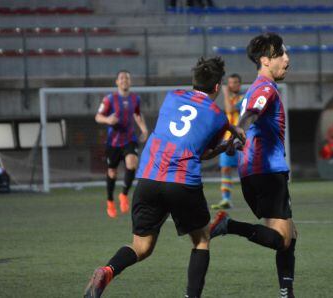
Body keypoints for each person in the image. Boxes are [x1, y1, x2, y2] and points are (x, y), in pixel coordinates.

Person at [84, 57, 245, 298]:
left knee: (142, 247)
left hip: (148, 178)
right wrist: (227, 143)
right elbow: (201, 153)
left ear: (194, 82)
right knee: (201, 240)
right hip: (181, 182)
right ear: (217, 87)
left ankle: (108, 270)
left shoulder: (172, 96)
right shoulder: (218, 116)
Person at [209, 33, 297, 298]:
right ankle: (228, 225)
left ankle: (287, 292)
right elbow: (250, 116)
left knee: (290, 235)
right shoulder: (265, 89)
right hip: (267, 172)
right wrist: (239, 131)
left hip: (253, 171)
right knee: (282, 239)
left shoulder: (253, 89)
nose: (287, 60)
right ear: (265, 61)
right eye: (281, 54)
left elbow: (251, 121)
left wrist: (231, 143)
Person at [95, 70, 148, 218]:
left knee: (132, 162)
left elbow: (137, 114)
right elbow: (98, 116)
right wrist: (107, 120)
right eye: (121, 78)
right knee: (112, 172)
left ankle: (124, 195)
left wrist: (144, 129)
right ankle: (110, 200)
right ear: (117, 82)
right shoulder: (109, 99)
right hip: (113, 142)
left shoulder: (135, 99)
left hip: (129, 139)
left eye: (127, 78)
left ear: (130, 82)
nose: (124, 80)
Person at [211, 73, 243, 210]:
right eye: (230, 83)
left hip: (241, 140)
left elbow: (230, 109)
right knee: (225, 169)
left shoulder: (243, 98)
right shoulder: (229, 98)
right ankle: (226, 199)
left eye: (235, 82)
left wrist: (224, 92)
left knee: (246, 171)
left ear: (239, 84)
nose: (232, 85)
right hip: (227, 139)